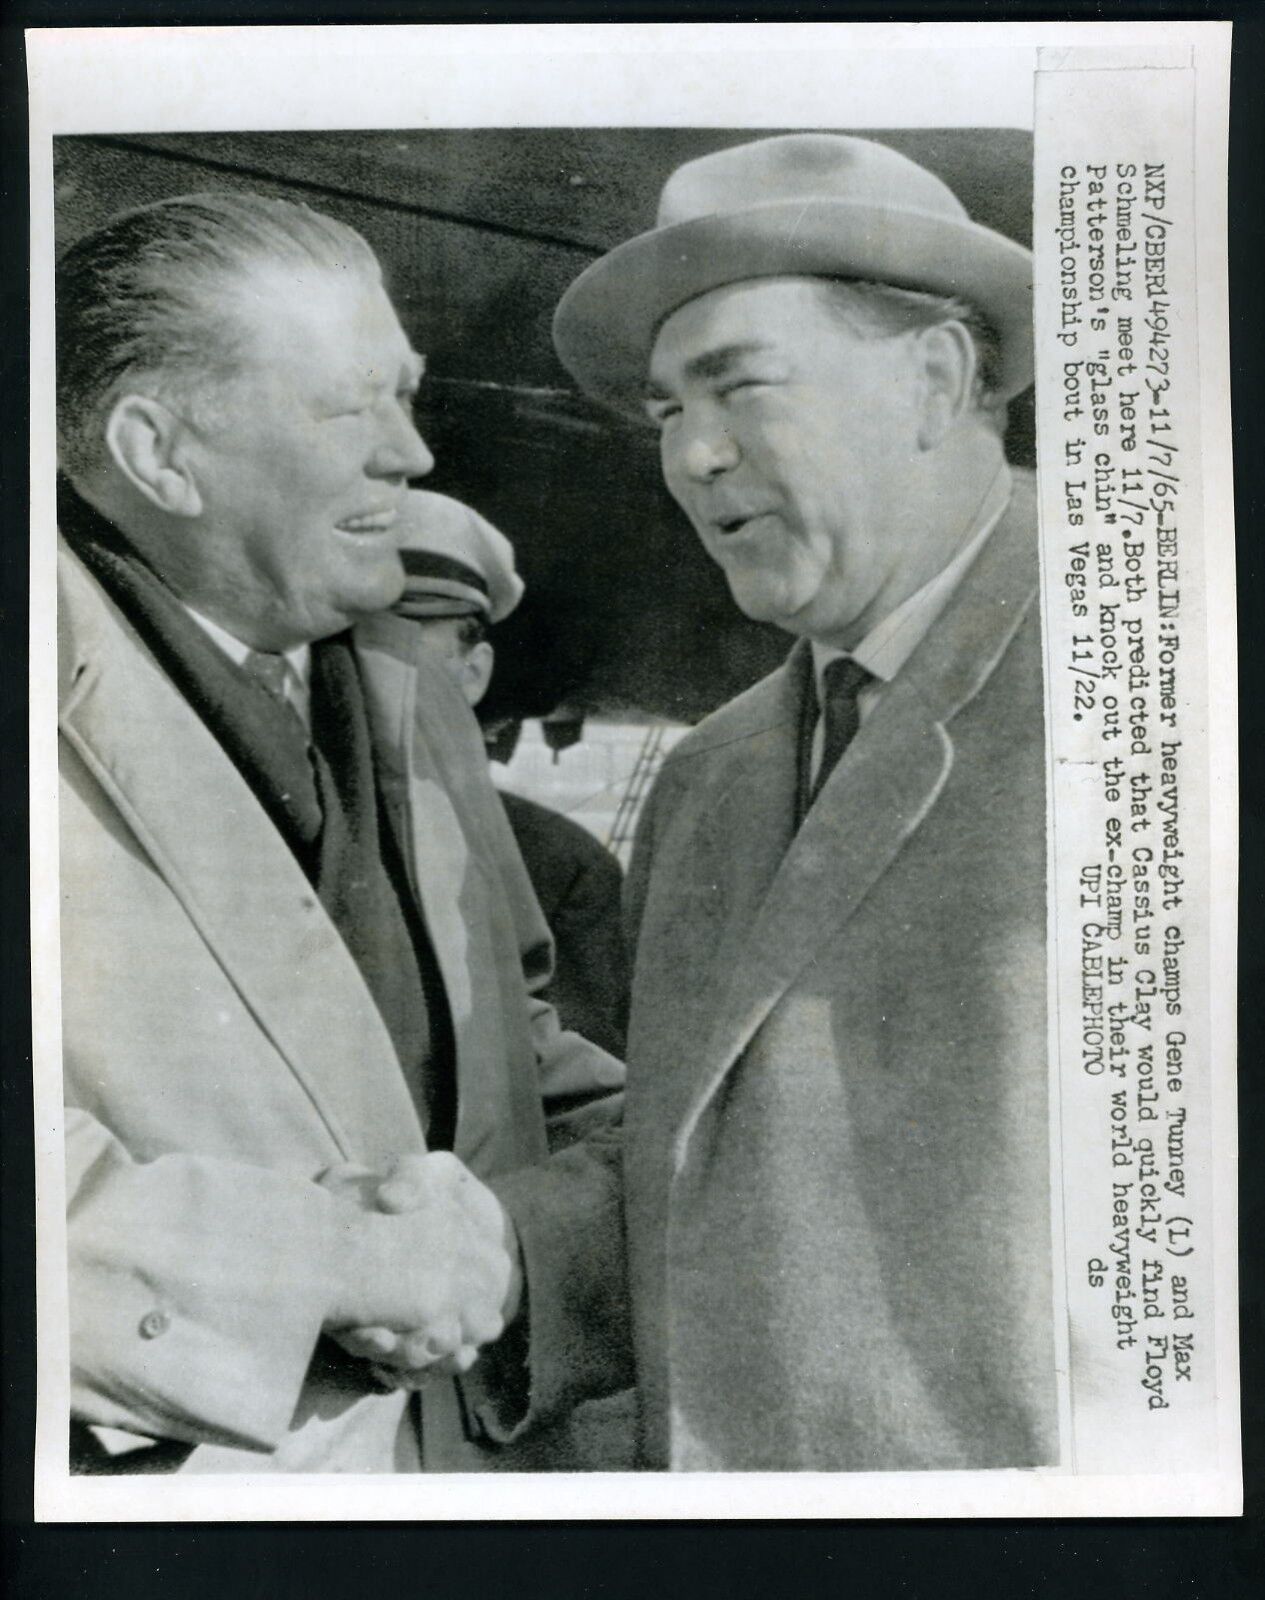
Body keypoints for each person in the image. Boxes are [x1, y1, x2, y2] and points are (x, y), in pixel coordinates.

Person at [57, 190, 628, 1475]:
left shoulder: (399, 694)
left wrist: (614, 1195)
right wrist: (330, 1263)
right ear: (160, 455)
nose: (413, 455)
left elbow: (507, 1064)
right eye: (345, 407)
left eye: (405, 396)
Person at [553, 133, 1056, 1470]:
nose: (694, 458)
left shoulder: (1155, 677)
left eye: (739, 387)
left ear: (935, 380)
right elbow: (699, 1152)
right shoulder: (709, 776)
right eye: (666, 411)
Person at [392, 490, 631, 1059]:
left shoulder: (561, 870)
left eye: (404, 649)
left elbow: (575, 1094)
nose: (368, 676)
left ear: (473, 673)